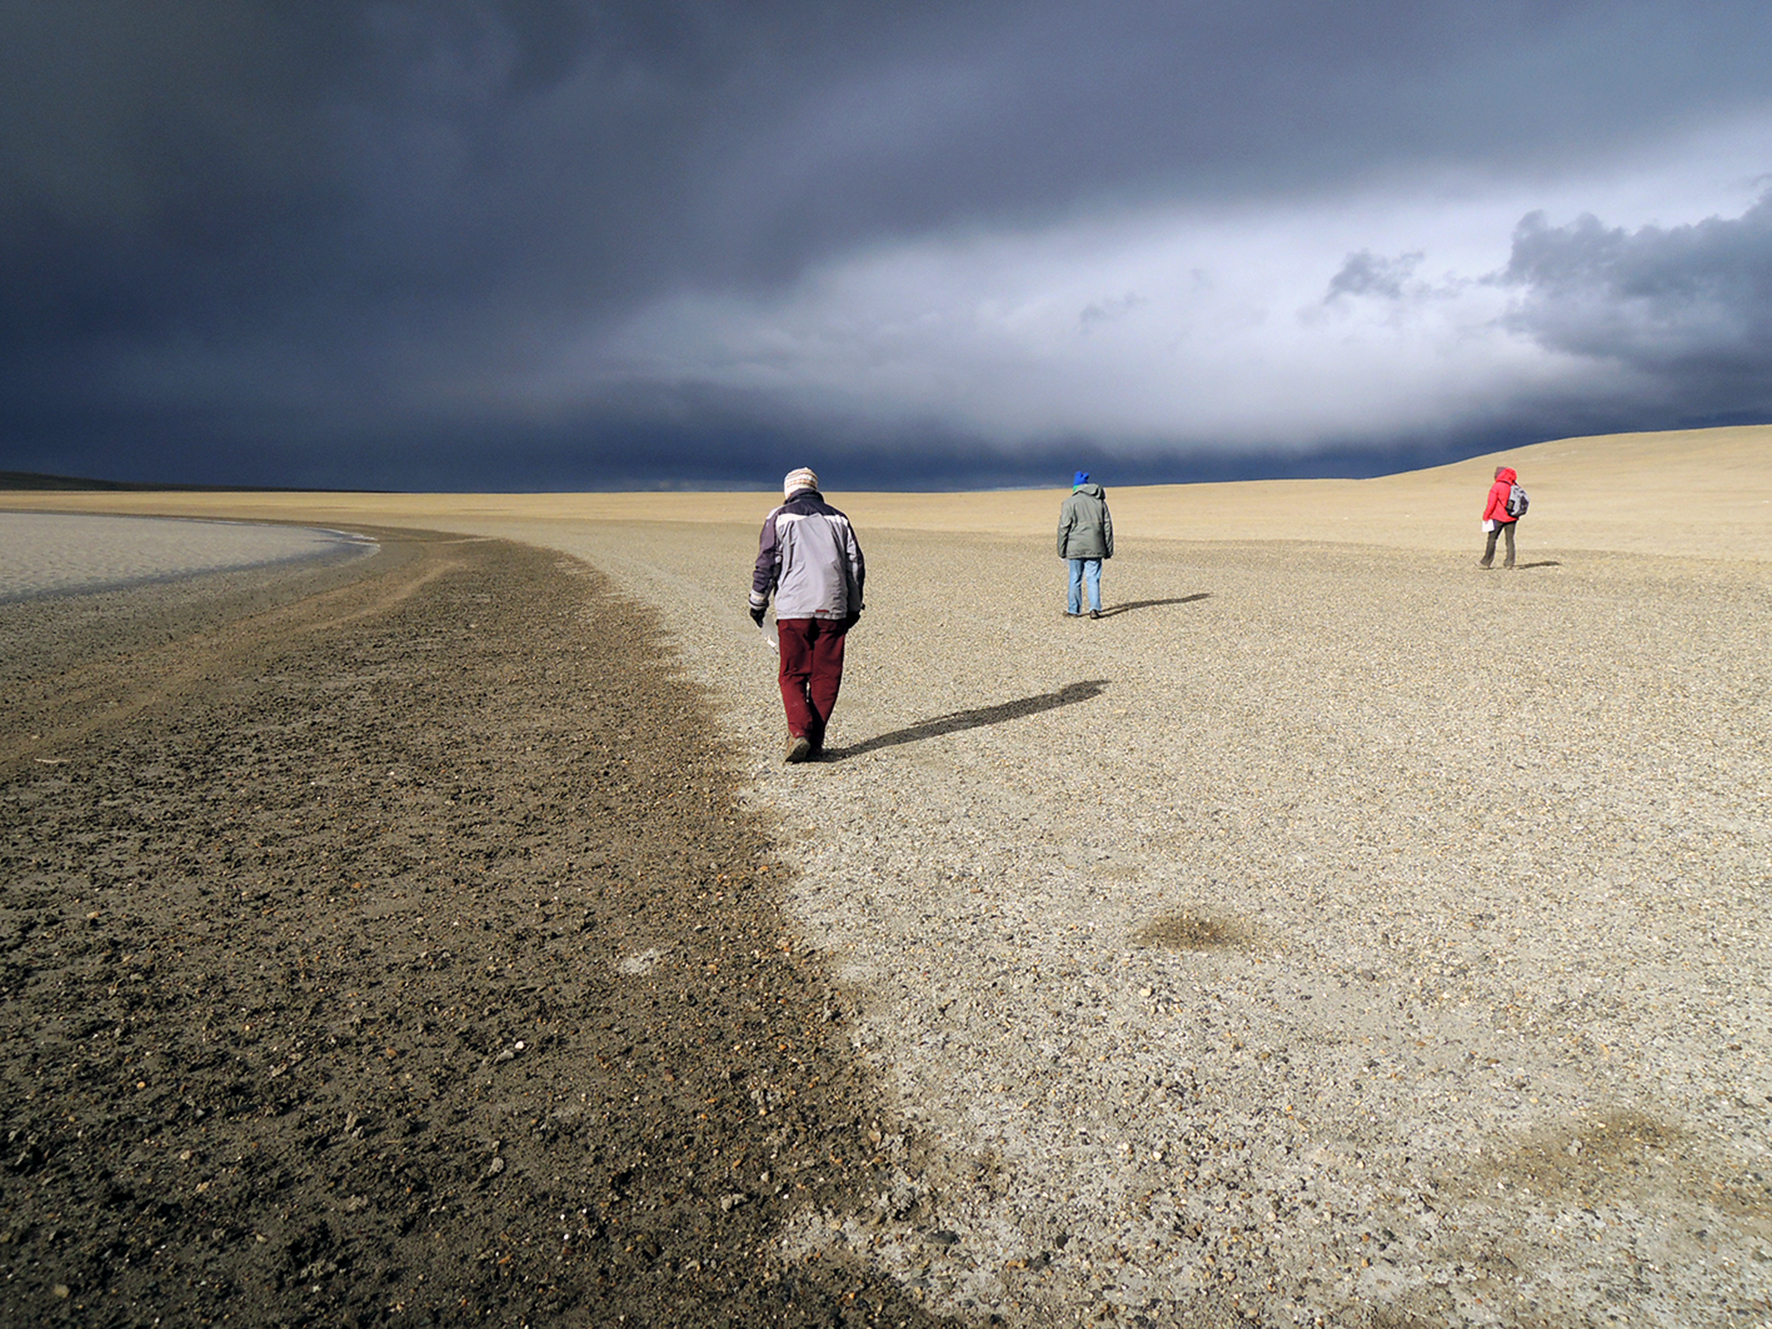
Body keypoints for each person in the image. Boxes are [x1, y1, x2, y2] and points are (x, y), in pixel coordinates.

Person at [749, 467, 866, 763]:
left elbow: (767, 562)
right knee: (827, 676)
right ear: (815, 488)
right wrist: (853, 607)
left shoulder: (780, 516)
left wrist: (757, 603)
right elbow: (855, 566)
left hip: (793, 609)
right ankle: (814, 743)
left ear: (789, 490)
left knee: (792, 673)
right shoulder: (839, 518)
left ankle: (800, 732)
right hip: (833, 608)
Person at [1057, 470, 1113, 618]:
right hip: (1096, 546)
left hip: (1074, 547)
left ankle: (1073, 610)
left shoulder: (1069, 503)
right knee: (1093, 578)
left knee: (1075, 578)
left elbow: (1063, 528)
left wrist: (1061, 550)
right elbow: (1107, 527)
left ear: (1076, 487)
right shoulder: (1100, 502)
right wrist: (1108, 549)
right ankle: (1094, 608)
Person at [1479, 465, 1520, 569]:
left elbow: (1491, 503)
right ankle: (1509, 562)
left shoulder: (1497, 486)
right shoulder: (1515, 485)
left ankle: (1486, 562)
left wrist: (1486, 516)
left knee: (1492, 539)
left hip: (1498, 517)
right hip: (1512, 517)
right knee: (1510, 540)